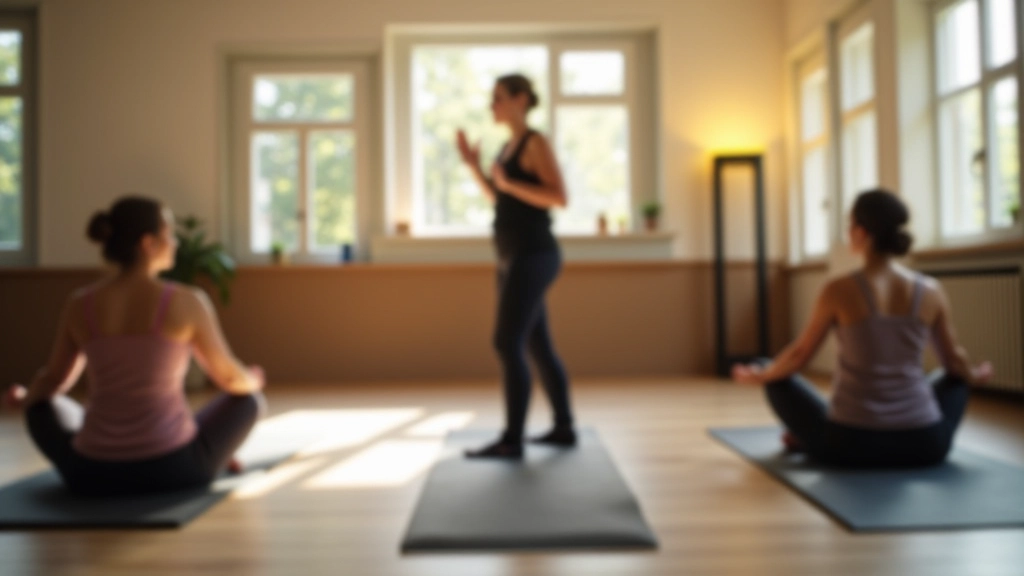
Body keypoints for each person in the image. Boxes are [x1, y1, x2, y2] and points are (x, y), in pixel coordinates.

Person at [2, 197, 266, 496]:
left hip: (90, 472)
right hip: (174, 470)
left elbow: (54, 380)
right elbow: (230, 379)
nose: (176, 242)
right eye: (169, 234)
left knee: (40, 406)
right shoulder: (187, 302)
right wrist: (253, 380)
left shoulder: (80, 304)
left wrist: (26, 398)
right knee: (250, 401)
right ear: (147, 242)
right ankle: (214, 455)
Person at [731, 189, 992, 468]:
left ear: (860, 231)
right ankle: (810, 438)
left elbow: (798, 356)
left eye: (849, 224)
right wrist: (974, 375)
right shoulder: (930, 291)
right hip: (925, 444)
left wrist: (761, 375)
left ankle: (809, 439)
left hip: (849, 445)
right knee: (954, 379)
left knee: (771, 370)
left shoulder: (837, 290)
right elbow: (954, 362)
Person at [455, 73, 576, 459]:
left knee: (507, 341)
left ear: (521, 99)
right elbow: (502, 198)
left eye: (499, 98)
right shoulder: (507, 148)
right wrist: (474, 167)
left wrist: (508, 186)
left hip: (534, 254)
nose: (493, 105)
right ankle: (563, 428)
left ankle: (512, 440)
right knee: (537, 344)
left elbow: (558, 197)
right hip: (512, 257)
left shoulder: (534, 142)